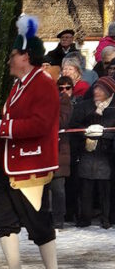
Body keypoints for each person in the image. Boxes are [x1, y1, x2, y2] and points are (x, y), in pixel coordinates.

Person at [0, 17, 65, 269]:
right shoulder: (19, 84)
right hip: (9, 165)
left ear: (25, 55)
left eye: (12, 54)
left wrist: (1, 128)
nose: (8, 60)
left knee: (39, 225)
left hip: (31, 167)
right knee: (3, 222)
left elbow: (40, 125)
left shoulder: (42, 83)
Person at [71, 76, 115, 228]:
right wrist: (85, 134)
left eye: (101, 89)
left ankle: (106, 217)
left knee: (105, 188)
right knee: (85, 186)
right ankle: (85, 217)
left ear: (109, 92)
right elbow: (73, 126)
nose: (96, 91)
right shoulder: (84, 106)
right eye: (96, 87)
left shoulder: (113, 108)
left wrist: (104, 135)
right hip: (87, 151)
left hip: (106, 154)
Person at [52, 76, 75, 229]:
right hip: (49, 148)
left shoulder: (64, 101)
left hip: (62, 149)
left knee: (58, 187)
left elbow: (62, 121)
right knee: (47, 187)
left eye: (67, 88)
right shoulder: (50, 100)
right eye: (60, 88)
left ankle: (58, 219)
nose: (64, 91)